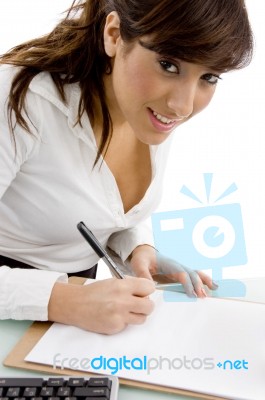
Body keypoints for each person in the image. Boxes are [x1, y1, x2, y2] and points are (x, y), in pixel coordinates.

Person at [0, 0, 253, 334]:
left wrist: (136, 247)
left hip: (70, 315)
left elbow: (89, 205)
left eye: (208, 76)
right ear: (115, 35)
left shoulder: (150, 111)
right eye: (168, 64)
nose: (184, 106)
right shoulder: (19, 100)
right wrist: (64, 301)